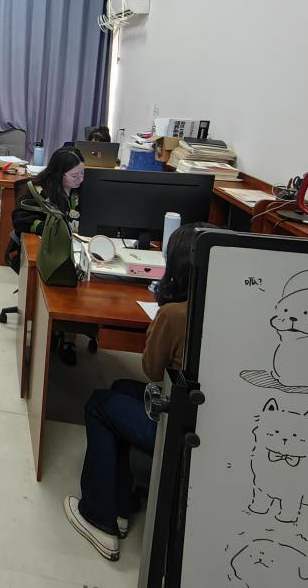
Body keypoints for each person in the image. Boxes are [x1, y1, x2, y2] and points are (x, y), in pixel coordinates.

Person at [63, 221, 215, 563]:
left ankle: (98, 518)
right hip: (209, 418)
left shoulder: (175, 314)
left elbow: (152, 371)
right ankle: (120, 504)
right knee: (120, 388)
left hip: (178, 424)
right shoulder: (228, 311)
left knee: (99, 405)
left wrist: (158, 321)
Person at [10, 147, 87, 362]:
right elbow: (19, 220)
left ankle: (69, 334)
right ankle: (56, 329)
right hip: (50, 250)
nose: (80, 179)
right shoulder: (39, 191)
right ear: (59, 174)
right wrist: (51, 229)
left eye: (83, 173)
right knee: (65, 280)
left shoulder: (85, 190)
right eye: (75, 175)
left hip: (82, 247)